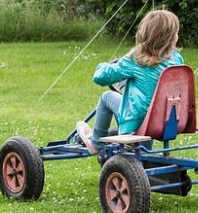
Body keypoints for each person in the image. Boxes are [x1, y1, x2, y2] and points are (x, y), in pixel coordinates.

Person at [75, 9, 184, 154]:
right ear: (170, 38)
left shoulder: (137, 58)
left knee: (106, 97)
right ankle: (143, 152)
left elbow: (101, 77)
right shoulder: (177, 59)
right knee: (148, 104)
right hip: (169, 117)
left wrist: (103, 66)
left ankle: (95, 143)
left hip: (141, 118)